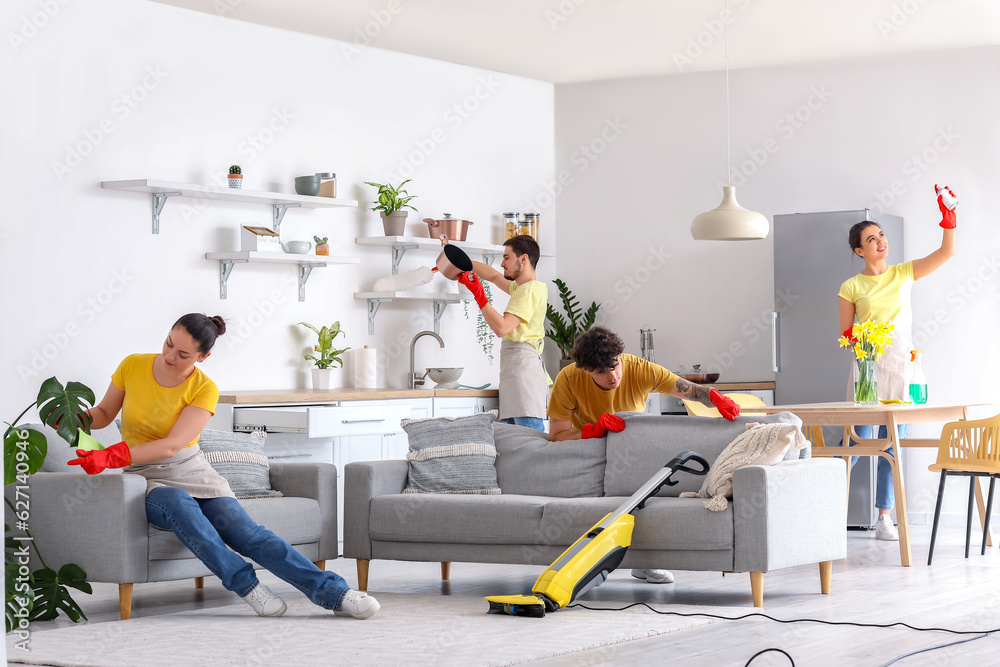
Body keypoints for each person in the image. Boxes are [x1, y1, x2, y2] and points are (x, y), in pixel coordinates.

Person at [68, 313, 379, 619]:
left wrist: (111, 456)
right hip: (147, 480)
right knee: (178, 502)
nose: (169, 356)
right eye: (168, 343)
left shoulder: (204, 389)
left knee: (249, 534)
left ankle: (336, 594)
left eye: (183, 354)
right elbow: (105, 413)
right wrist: (73, 416)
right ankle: (249, 588)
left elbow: (173, 445)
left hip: (192, 472)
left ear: (203, 357)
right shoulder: (132, 365)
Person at [546, 326, 741, 584]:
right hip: (591, 450)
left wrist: (715, 397)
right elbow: (557, 435)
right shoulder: (568, 378)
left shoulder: (640, 369)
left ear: (620, 356)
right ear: (585, 369)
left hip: (632, 447)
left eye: (614, 365)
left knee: (643, 504)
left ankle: (645, 562)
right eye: (601, 372)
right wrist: (593, 430)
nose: (613, 375)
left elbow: (688, 390)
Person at [837, 185, 957, 541]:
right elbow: (846, 333)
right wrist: (865, 342)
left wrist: (948, 216)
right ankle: (822, 505)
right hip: (868, 370)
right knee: (856, 443)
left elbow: (947, 251)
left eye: (882, 235)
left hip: (903, 369)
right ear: (859, 250)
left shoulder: (904, 273)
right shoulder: (850, 286)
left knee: (894, 445)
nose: (880, 241)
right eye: (871, 239)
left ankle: (883, 518)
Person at [457, 235, 549, 432]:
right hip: (518, 374)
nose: (502, 263)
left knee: (529, 444)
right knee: (519, 444)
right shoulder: (524, 288)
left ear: (523, 259)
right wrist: (459, 262)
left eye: (507, 257)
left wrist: (479, 294)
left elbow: (502, 328)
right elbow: (494, 277)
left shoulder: (528, 291)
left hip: (524, 376)